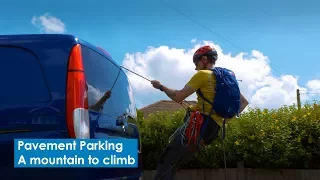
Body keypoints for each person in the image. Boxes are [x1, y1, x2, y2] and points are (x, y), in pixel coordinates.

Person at [150, 45, 249, 180]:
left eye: (196, 63)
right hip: (212, 131)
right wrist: (220, 117)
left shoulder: (202, 75)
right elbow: (243, 103)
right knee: (175, 163)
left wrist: (161, 87)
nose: (195, 68)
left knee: (166, 159)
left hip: (199, 127)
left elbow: (178, 96)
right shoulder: (223, 79)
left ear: (203, 59)